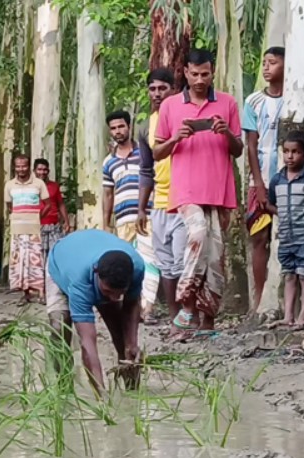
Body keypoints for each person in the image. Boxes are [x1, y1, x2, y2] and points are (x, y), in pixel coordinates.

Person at [154, 49, 242, 340]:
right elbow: (156, 152)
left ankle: (207, 321)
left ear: (212, 72)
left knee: (215, 254)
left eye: (206, 74)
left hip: (219, 189)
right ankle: (186, 304)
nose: (200, 79)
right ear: (186, 73)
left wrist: (226, 132)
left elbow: (238, 148)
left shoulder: (227, 103)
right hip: (186, 189)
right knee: (198, 235)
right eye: (195, 74)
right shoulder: (169, 106)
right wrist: (176, 137)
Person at [46, 229, 144, 392]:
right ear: (97, 273)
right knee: (59, 328)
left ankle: (132, 390)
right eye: (108, 292)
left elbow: (131, 304)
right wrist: (101, 396)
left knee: (122, 337)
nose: (114, 298)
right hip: (61, 264)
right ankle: (64, 390)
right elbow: (87, 343)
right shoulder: (80, 280)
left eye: (120, 293)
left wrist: (132, 343)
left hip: (93, 255)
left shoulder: (137, 267)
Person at [137, 68, 185, 329]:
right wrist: (141, 208)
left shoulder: (184, 117)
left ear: (173, 89)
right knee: (165, 266)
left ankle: (192, 316)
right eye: (152, 89)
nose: (157, 94)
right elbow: (146, 170)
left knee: (184, 263)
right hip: (160, 203)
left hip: (185, 202)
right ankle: (174, 317)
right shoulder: (145, 127)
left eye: (162, 88)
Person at [103, 110, 160, 322]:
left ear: (129, 126)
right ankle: (131, 308)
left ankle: (147, 309)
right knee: (126, 264)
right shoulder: (108, 162)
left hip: (147, 215)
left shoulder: (144, 153)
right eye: (114, 128)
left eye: (121, 126)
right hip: (122, 219)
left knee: (150, 260)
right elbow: (108, 193)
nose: (118, 131)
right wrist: (106, 222)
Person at [265, 131, 304, 329]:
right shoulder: (276, 180)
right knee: (289, 275)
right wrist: (282, 212)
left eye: (295, 152)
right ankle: (288, 315)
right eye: (286, 151)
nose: (290, 156)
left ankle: (303, 317)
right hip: (286, 238)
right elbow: (271, 204)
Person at [243, 46, 285, 313]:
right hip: (259, 179)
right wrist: (258, 183)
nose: (267, 67)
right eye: (264, 62)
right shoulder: (253, 101)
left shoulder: (295, 98)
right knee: (259, 237)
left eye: (273, 62)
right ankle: (259, 299)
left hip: (288, 178)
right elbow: (250, 144)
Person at [5, 154, 49, 305]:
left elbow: (47, 204)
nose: (21, 169)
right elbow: (9, 205)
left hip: (34, 229)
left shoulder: (38, 184)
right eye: (18, 166)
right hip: (17, 229)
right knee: (21, 261)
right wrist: (18, 216)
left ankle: (41, 293)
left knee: (36, 260)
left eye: (24, 166)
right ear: (14, 167)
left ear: (29, 166)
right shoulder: (9, 185)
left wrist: (37, 216)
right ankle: (25, 294)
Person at [34, 158, 70, 260]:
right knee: (39, 255)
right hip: (38, 226)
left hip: (54, 225)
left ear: (48, 171)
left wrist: (66, 222)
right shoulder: (30, 186)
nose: (42, 172)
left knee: (56, 253)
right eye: (39, 169)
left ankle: (53, 276)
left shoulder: (54, 186)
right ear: (34, 171)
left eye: (45, 170)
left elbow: (61, 204)